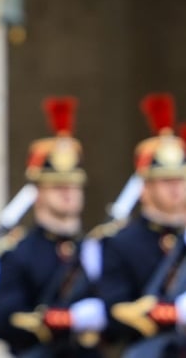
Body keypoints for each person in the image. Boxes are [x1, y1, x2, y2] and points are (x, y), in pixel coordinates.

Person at [0, 96, 105, 357]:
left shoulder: (92, 248)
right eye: (57, 186)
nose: (68, 194)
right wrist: (59, 320)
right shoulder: (18, 252)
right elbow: (5, 320)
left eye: (74, 186)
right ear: (37, 192)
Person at [101, 93, 186, 357]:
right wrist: (172, 313)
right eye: (165, 180)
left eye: (180, 179)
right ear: (144, 187)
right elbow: (114, 317)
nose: (176, 188)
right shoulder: (121, 243)